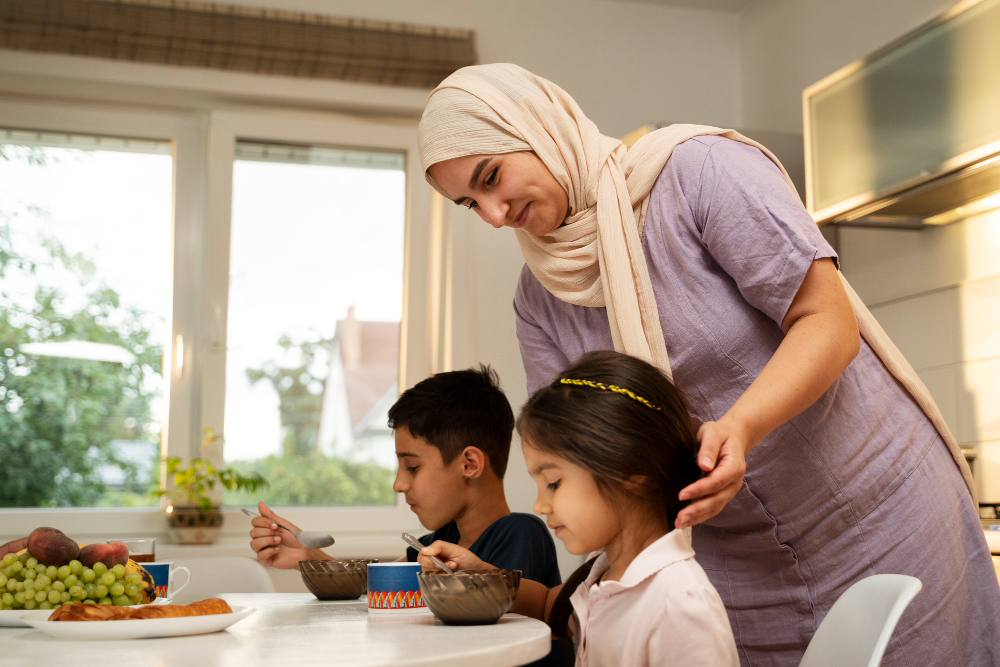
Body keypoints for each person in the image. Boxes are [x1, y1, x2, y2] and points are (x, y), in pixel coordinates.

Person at [416, 63, 1000, 665]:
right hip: (730, 568)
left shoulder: (699, 172)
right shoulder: (540, 297)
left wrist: (740, 426)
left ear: (537, 127)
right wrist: (506, 584)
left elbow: (828, 321)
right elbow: (579, 458)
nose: (492, 214)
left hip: (879, 516)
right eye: (469, 203)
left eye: (491, 177)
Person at [418, 351, 738, 666]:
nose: (539, 505)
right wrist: (479, 574)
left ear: (629, 472)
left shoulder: (680, 607)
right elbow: (547, 607)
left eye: (553, 483)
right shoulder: (602, 573)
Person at [249, 365, 561, 587]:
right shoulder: (439, 540)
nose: (398, 484)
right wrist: (308, 555)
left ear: (469, 464)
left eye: (412, 467)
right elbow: (371, 585)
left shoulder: (521, 533)